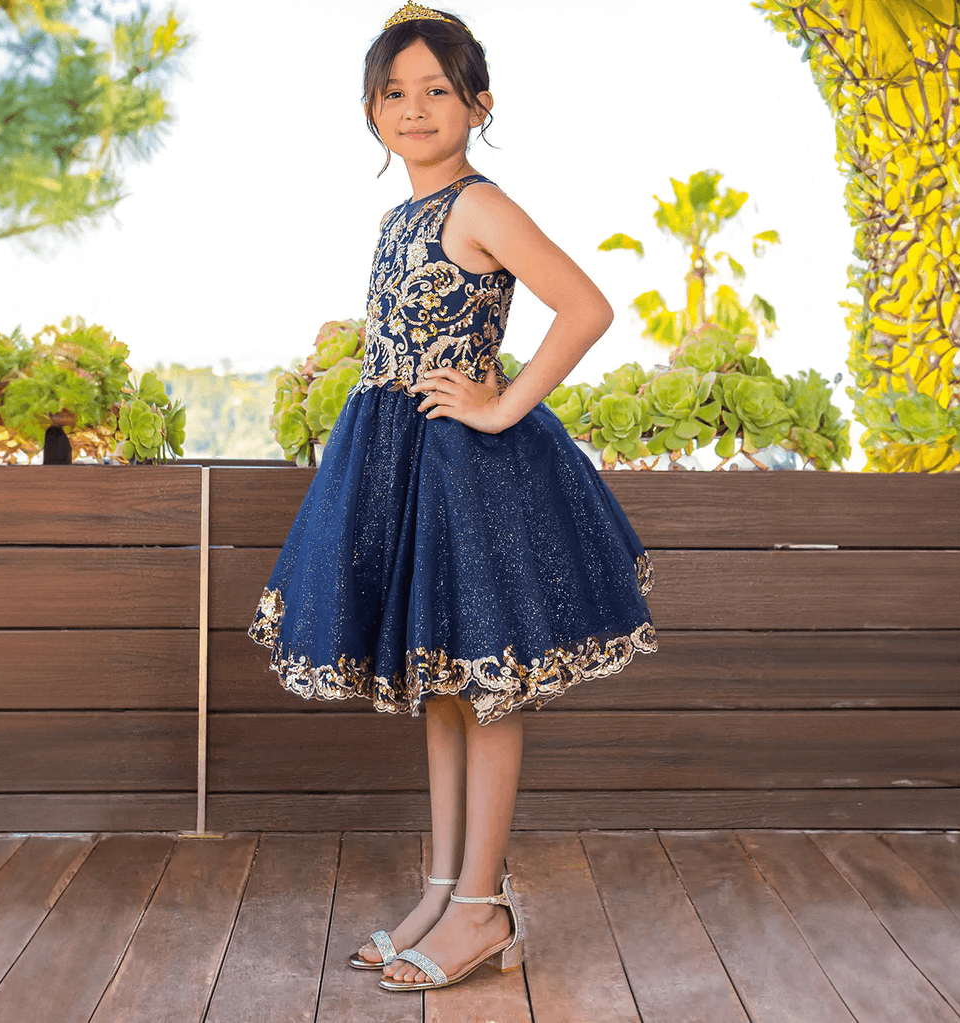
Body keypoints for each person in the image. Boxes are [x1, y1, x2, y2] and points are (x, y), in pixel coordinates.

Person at [248, 0, 658, 993]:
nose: (416, 107)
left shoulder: (479, 204)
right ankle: (442, 890)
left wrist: (498, 403)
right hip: (396, 466)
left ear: (478, 103)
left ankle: (483, 906)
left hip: (466, 476)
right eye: (395, 92)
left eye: (438, 89)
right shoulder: (399, 216)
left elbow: (586, 306)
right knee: (438, 685)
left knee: (485, 684)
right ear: (368, 112)